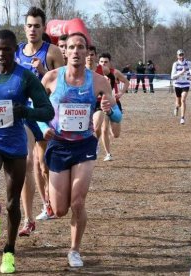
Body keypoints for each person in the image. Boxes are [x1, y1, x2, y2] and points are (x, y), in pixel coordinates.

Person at [0, 29, 54, 274]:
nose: (2, 53)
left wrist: (24, 111)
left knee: (14, 202)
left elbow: (47, 111)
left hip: (14, 143)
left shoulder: (25, 77)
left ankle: (9, 251)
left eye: (7, 49)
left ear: (15, 50)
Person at [39, 32, 122, 268]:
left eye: (81, 47)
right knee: (60, 209)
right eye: (72, 47)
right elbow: (35, 110)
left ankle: (74, 250)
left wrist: (108, 110)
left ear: (87, 52)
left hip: (84, 145)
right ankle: (55, 202)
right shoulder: (52, 78)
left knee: (77, 202)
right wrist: (44, 127)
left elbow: (117, 116)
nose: (76, 51)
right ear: (64, 51)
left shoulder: (98, 81)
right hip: (58, 145)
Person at [15, 6, 65, 235]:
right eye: (29, 25)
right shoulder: (16, 52)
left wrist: (43, 70)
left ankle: (51, 201)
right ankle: (28, 218)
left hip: (46, 115)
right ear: (24, 28)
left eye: (37, 26)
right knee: (27, 162)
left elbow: (62, 85)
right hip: (25, 115)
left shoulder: (52, 51)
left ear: (43, 28)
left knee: (44, 165)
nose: (33, 29)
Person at [97, 53, 128, 161]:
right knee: (103, 129)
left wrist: (121, 93)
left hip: (114, 104)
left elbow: (126, 82)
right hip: (102, 104)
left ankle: (113, 126)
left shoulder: (115, 72)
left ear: (110, 63)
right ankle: (108, 154)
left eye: (105, 62)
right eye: (101, 62)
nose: (103, 64)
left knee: (115, 134)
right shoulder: (96, 74)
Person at [171, 49, 191, 125]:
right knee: (179, 103)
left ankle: (182, 118)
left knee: (183, 100)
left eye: (182, 55)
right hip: (177, 84)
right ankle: (176, 107)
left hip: (186, 84)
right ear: (177, 56)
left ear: (184, 55)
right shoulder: (175, 64)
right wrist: (181, 72)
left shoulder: (188, 63)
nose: (181, 56)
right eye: (179, 55)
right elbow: (172, 76)